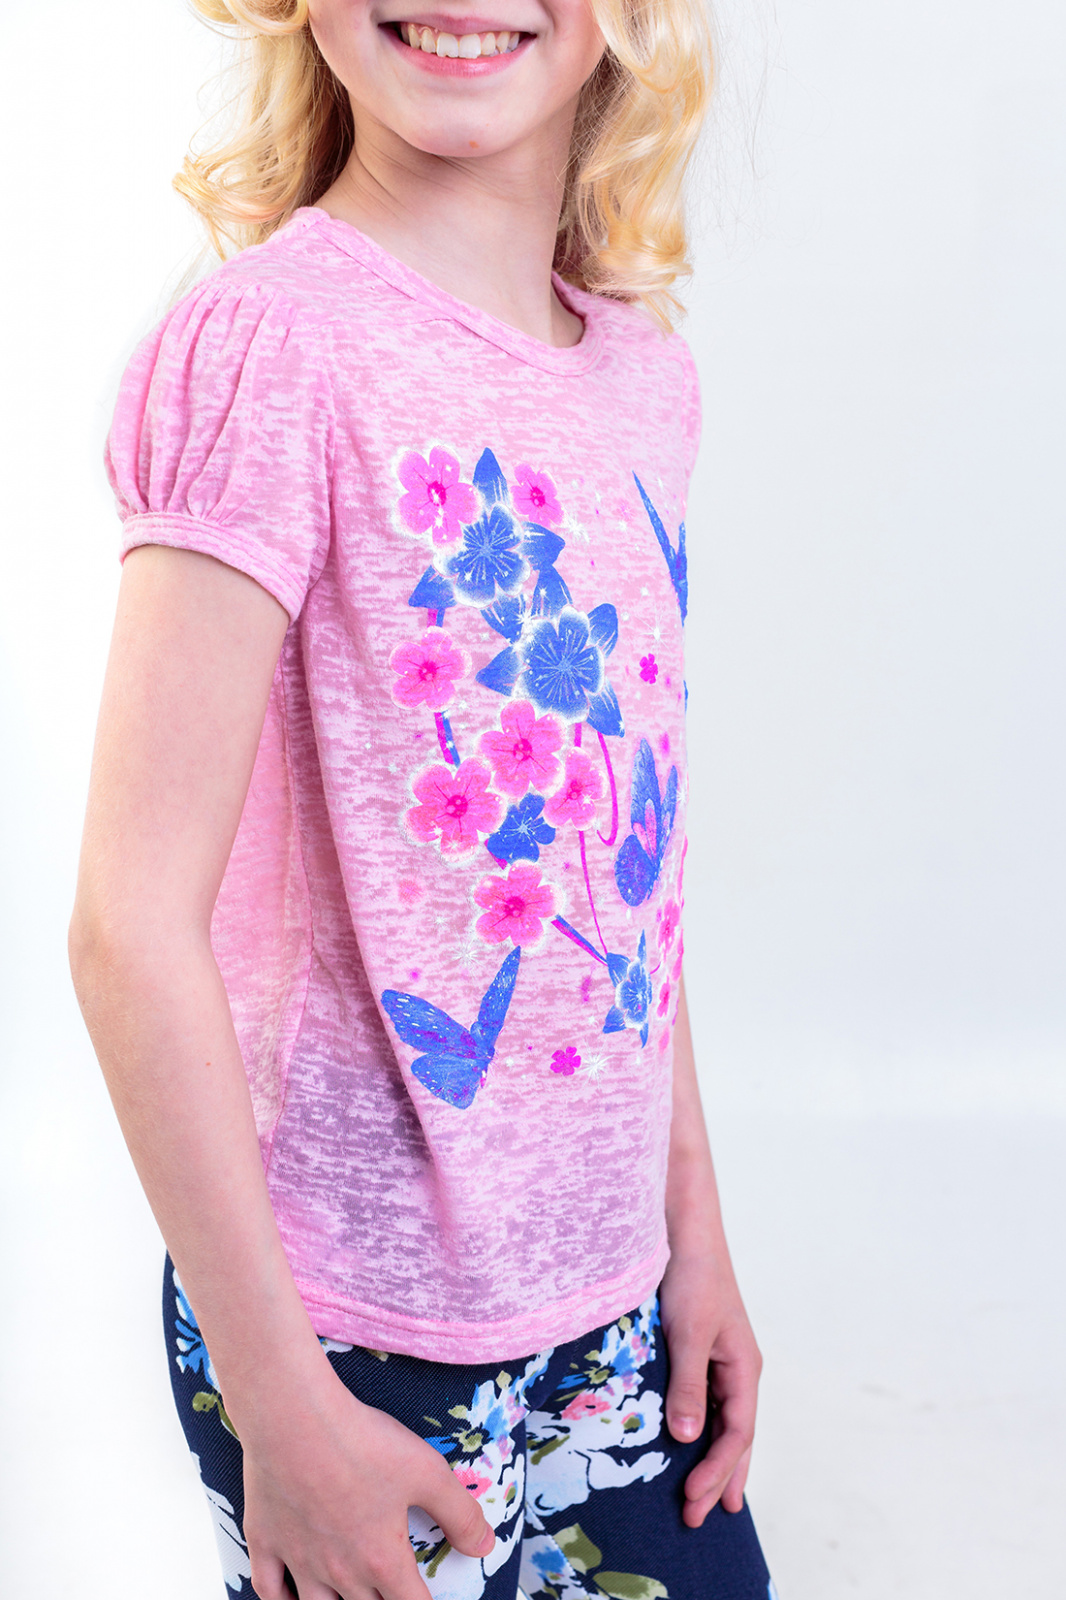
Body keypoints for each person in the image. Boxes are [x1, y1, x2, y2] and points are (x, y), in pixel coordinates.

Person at [70, 0, 776, 1595]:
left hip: (611, 1303)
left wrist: (693, 1235)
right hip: (342, 1335)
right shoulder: (271, 348)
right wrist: (278, 1403)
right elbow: (128, 929)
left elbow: (620, 880)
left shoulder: (642, 380)